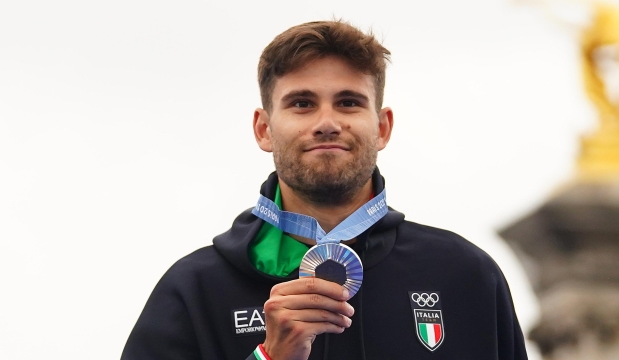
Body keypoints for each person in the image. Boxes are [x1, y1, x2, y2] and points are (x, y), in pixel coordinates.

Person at [121, 20, 528, 360]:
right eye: (302, 103)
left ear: (383, 127)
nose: (327, 122)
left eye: (349, 102)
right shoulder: (194, 290)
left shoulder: (465, 276)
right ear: (264, 129)